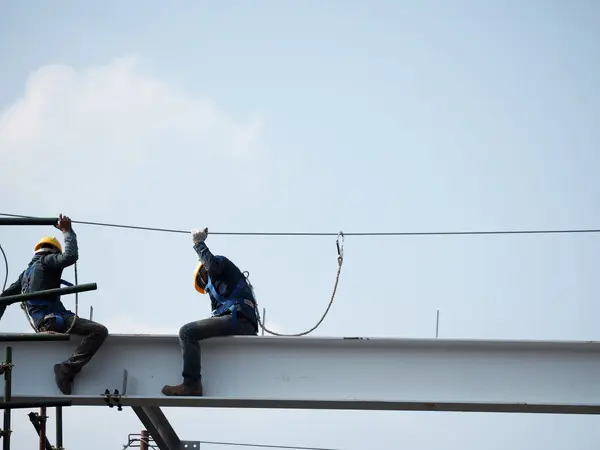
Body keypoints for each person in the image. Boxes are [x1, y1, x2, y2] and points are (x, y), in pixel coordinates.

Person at [0, 214, 109, 395]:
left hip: (41, 322)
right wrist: (68, 232)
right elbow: (70, 256)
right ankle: (67, 369)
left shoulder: (26, 274)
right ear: (53, 251)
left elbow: (4, 298)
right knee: (99, 331)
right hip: (54, 319)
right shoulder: (47, 261)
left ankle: (66, 369)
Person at [161, 227, 259, 396]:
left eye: (203, 284)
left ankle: (191, 384)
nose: (207, 289)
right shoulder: (225, 287)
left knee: (187, 332)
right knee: (195, 330)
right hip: (242, 321)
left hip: (239, 318)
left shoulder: (219, 264)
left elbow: (212, 266)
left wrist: (199, 243)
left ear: (202, 273)